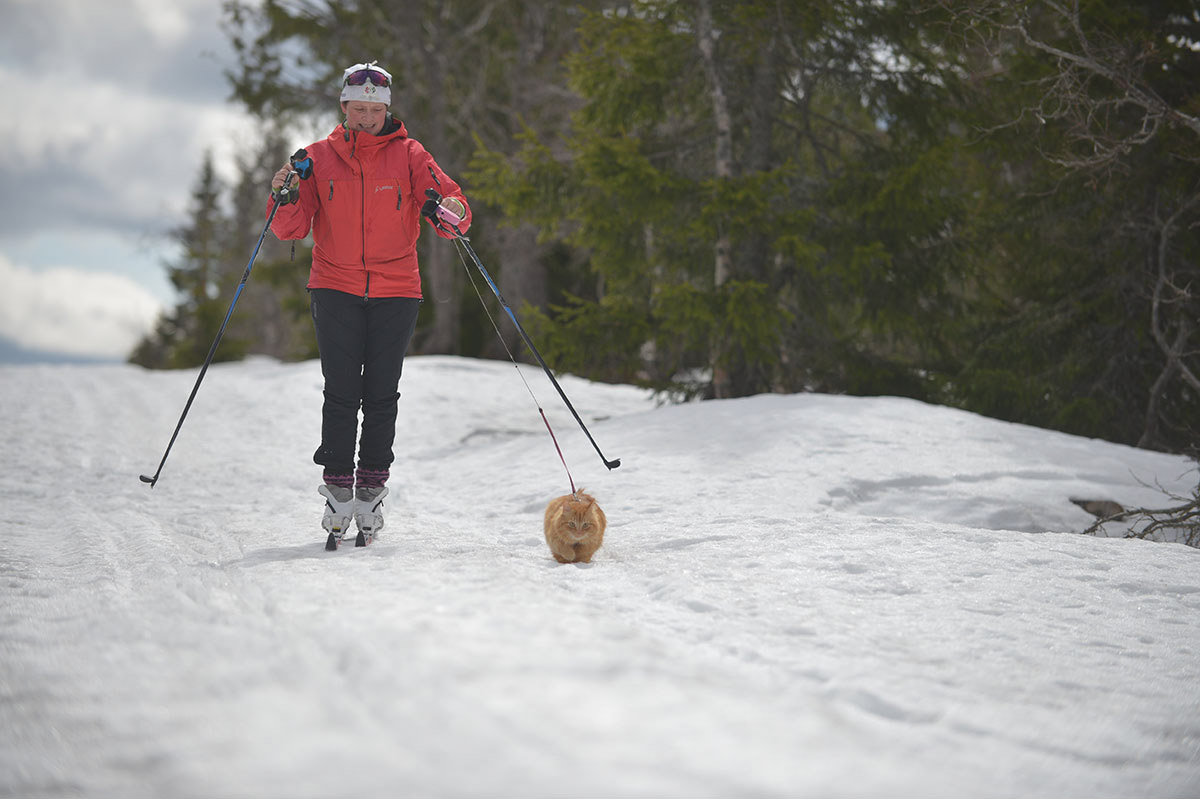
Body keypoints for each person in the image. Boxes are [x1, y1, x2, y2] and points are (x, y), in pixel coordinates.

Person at [267, 60, 471, 548]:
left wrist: (450, 210)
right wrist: (283, 194)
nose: (365, 118)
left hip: (396, 288)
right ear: (343, 107)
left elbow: (457, 215)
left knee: (381, 393)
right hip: (334, 284)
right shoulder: (316, 157)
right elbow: (290, 229)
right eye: (357, 109)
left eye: (373, 111)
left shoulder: (411, 155)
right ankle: (337, 491)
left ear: (386, 109)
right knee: (340, 390)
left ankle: (372, 492)